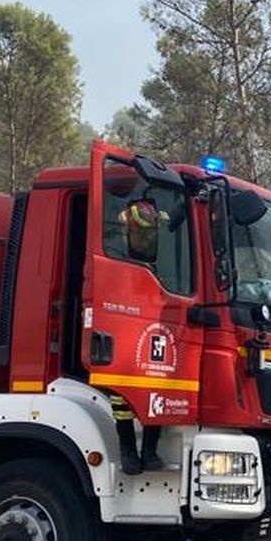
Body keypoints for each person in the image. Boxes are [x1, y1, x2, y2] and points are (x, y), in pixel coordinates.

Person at [109, 198, 164, 475]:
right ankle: (129, 451)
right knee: (120, 397)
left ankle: (149, 452)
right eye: (140, 232)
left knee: (158, 392)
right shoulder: (128, 223)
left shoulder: (157, 223)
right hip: (126, 323)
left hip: (152, 322)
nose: (146, 235)